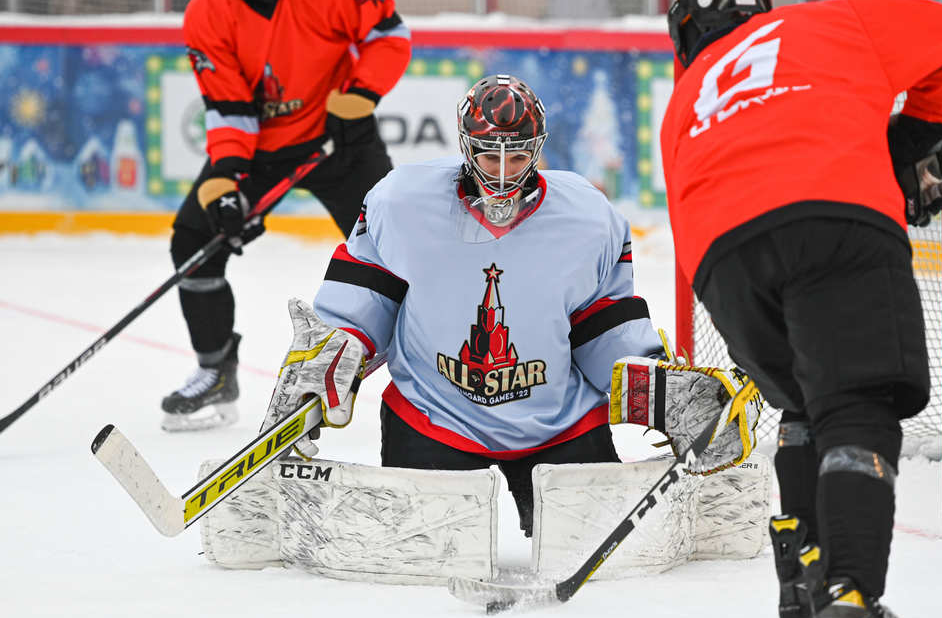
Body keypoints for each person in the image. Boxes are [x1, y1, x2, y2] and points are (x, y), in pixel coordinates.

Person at [257, 74, 757, 537]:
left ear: (536, 149)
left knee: (600, 556)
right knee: (423, 560)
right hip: (434, 416)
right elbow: (366, 301)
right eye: (487, 154)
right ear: (465, 145)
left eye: (516, 157)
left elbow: (601, 325)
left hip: (558, 422)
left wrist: (658, 390)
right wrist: (325, 360)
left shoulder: (587, 216)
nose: (500, 173)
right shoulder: (401, 203)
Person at [661, 0, 942, 618]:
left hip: (721, 263)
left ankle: (806, 570)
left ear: (686, 34)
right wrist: (914, 133)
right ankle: (849, 596)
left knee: (801, 400)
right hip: (834, 216)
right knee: (854, 404)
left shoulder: (684, 102)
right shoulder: (833, 20)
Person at [160, 0, 411, 431]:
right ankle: (215, 370)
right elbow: (228, 109)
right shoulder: (207, 11)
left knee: (398, 250)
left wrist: (360, 96)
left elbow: (390, 34)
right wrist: (226, 182)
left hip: (340, 136)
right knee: (193, 241)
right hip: (262, 152)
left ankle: (433, 371)